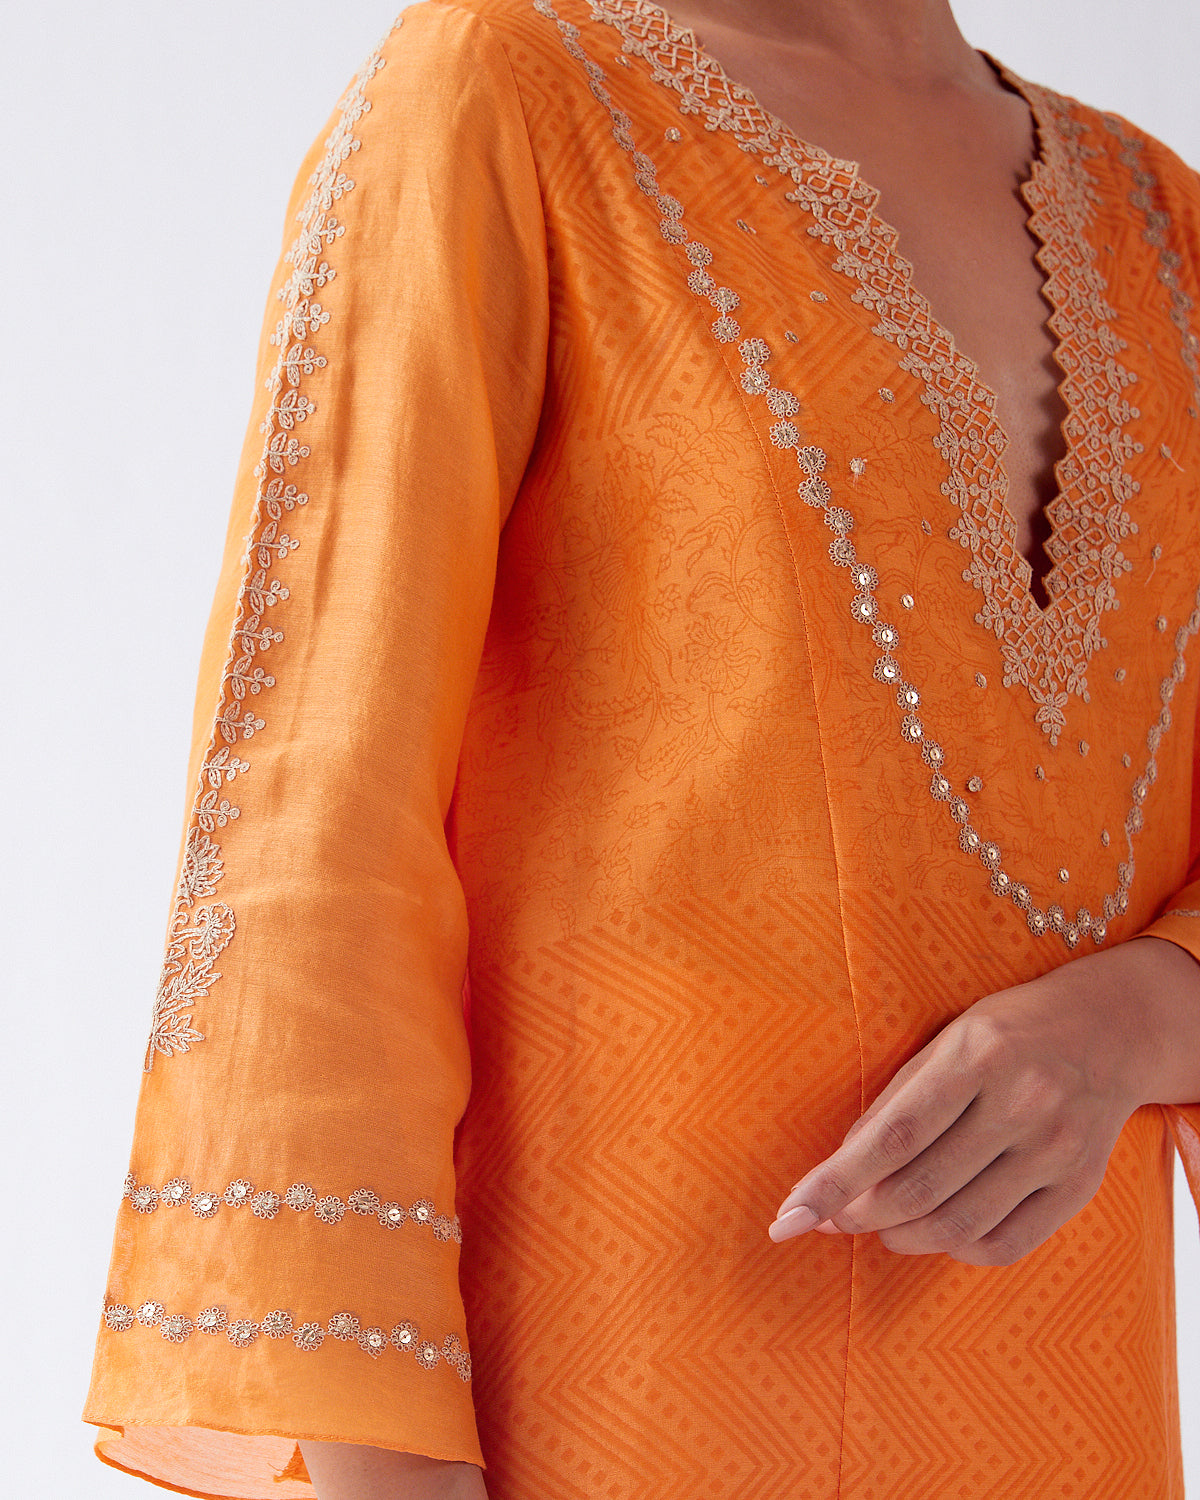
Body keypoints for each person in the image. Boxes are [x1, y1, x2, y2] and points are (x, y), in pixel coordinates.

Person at [82, 0, 1200, 1495]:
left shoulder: (1162, 219)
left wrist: (1144, 1014)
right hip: (611, 1382)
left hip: (1062, 1397)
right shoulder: (508, 100)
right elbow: (315, 818)